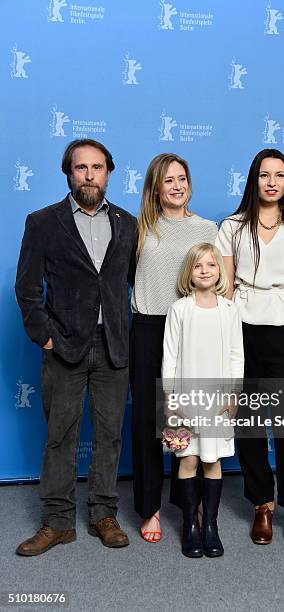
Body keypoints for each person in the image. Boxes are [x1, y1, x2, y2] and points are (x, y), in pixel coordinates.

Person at [14, 139, 137, 555]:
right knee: (60, 436)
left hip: (114, 346)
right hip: (64, 346)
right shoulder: (43, 222)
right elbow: (27, 288)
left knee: (109, 434)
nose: (89, 175)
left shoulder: (128, 223)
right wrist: (45, 335)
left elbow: (136, 284)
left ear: (108, 172)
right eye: (81, 167)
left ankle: (104, 513)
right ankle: (58, 521)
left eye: (97, 167)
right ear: (69, 173)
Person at [216, 148, 284, 546]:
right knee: (249, 426)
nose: (272, 182)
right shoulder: (231, 226)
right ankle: (262, 503)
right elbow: (225, 288)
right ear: (254, 179)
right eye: (264, 175)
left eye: (279, 175)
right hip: (242, 328)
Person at [130, 153, 217, 542]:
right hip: (150, 326)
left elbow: (219, 282)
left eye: (182, 178)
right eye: (168, 180)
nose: (177, 186)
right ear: (155, 187)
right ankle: (149, 507)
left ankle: (189, 501)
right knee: (151, 419)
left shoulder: (207, 229)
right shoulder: (140, 229)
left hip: (194, 325)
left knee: (194, 416)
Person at [162, 243, 244, 557]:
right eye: (199, 266)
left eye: (211, 265)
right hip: (183, 399)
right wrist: (169, 397)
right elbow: (169, 357)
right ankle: (189, 525)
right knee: (188, 459)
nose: (206, 270)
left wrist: (234, 393)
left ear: (219, 271)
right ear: (190, 274)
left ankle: (210, 525)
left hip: (217, 400)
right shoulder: (179, 310)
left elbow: (237, 355)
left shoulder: (229, 310)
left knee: (212, 460)